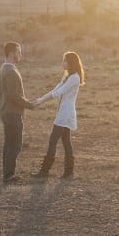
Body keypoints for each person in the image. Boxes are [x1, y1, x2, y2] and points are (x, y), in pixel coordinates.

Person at [31, 50, 85, 180]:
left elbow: (58, 92)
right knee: (66, 142)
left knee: (53, 141)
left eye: (65, 60)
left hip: (65, 114)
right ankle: (68, 172)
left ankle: (45, 171)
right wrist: (39, 100)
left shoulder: (74, 78)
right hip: (64, 112)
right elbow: (54, 90)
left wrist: (40, 102)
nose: (63, 63)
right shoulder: (67, 76)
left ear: (70, 62)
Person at [0, 41, 36, 184]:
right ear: (12, 53)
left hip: (7, 111)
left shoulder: (5, 68)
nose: (20, 54)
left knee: (9, 144)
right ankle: (9, 175)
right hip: (12, 113)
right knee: (15, 145)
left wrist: (25, 101)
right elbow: (13, 95)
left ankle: (8, 174)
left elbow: (12, 94)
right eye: (19, 52)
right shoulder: (10, 71)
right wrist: (29, 104)